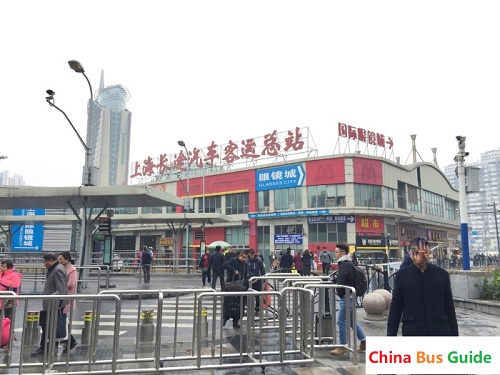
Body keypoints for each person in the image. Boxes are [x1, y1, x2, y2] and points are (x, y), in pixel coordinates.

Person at [387, 237, 459, 337]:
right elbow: (395, 310)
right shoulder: (402, 276)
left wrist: (455, 336)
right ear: (411, 254)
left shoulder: (442, 275)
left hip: (441, 331)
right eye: (416, 252)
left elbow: (449, 307)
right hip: (414, 332)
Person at [330, 243, 366, 355]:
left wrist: (339, 292)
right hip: (349, 295)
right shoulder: (348, 263)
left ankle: (342, 346)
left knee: (341, 320)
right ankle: (364, 341)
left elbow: (341, 280)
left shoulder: (344, 264)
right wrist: (331, 281)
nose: (335, 254)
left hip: (347, 296)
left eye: (337, 252)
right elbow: (342, 278)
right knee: (351, 320)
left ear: (343, 253)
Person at [31, 252, 68, 356]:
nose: (44, 264)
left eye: (45, 261)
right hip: (52, 303)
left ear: (51, 261)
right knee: (50, 324)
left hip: (54, 303)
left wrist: (56, 301)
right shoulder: (54, 269)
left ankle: (44, 347)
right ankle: (48, 346)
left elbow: (60, 289)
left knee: (49, 324)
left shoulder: (58, 270)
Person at [222, 250, 249, 328]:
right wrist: (233, 270)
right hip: (230, 284)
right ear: (239, 256)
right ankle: (225, 318)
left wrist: (246, 285)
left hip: (240, 285)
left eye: (245, 258)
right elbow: (224, 265)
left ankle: (235, 321)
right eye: (243, 257)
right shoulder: (233, 260)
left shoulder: (245, 264)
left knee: (239, 304)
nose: (244, 259)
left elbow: (245, 274)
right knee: (228, 303)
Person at [57, 252, 78, 353]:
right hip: (60, 298)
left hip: (66, 298)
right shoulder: (61, 268)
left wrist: (59, 284)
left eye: (61, 259)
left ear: (67, 259)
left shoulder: (72, 270)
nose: (59, 261)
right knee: (61, 321)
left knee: (62, 321)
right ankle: (64, 341)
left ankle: (70, 341)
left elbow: (71, 284)